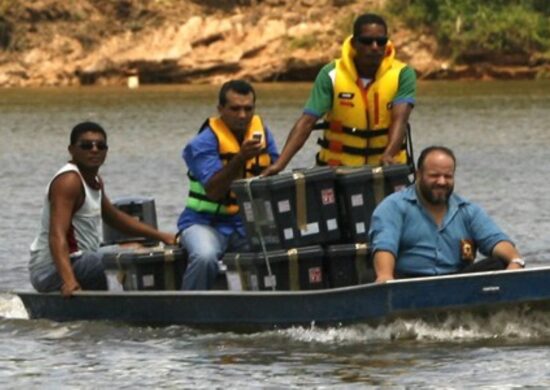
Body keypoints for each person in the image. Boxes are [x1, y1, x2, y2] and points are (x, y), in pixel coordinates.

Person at [29, 121, 176, 297]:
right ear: (71, 150)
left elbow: (113, 217)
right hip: (50, 270)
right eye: (86, 145)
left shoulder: (95, 180)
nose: (94, 150)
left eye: (100, 145)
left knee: (137, 250)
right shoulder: (69, 181)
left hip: (83, 259)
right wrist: (69, 281)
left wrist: (162, 236)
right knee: (108, 263)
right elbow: (56, 235)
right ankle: (115, 307)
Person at [262, 13, 416, 176]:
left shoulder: (403, 74)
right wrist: (279, 165)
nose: (375, 47)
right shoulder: (331, 74)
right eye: (367, 41)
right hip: (338, 172)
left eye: (381, 41)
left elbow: (400, 119)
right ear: (354, 43)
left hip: (385, 169)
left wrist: (389, 154)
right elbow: (307, 122)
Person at [177, 80, 279, 290]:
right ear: (220, 109)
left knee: (284, 251)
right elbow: (214, 191)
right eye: (235, 109)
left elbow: (275, 176)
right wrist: (240, 157)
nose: (242, 115)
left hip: (247, 225)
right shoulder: (201, 144)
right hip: (204, 223)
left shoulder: (262, 135)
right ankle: (189, 312)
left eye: (248, 109)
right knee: (204, 257)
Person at [369, 146, 525, 283]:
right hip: (410, 283)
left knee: (499, 263)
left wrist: (515, 262)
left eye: (448, 176)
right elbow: (385, 246)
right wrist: (385, 276)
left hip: (456, 283)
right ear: (418, 175)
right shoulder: (393, 206)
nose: (442, 182)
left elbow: (496, 240)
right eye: (434, 175)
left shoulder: (468, 210)